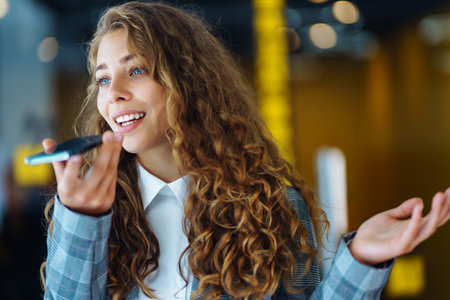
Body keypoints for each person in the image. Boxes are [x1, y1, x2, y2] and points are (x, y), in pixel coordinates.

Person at [41, 1, 450, 299]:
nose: (115, 94)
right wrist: (82, 220)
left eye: (136, 70)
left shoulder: (273, 206)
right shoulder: (90, 210)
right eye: (104, 79)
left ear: (187, 81)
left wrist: (360, 260)